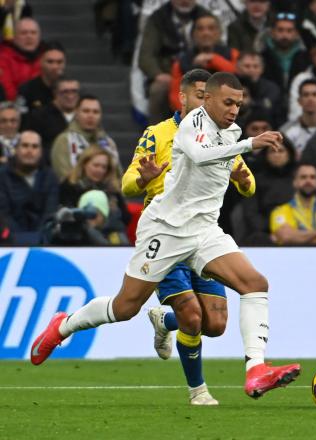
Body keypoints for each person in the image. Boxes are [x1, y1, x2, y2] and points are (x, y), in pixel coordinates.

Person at [30, 73, 301, 403]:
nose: (234, 110)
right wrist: (250, 144)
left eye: (239, 104)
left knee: (254, 284)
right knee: (124, 307)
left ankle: (256, 369)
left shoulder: (231, 132)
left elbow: (235, 172)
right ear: (208, 99)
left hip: (204, 231)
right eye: (228, 102)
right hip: (165, 229)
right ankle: (64, 326)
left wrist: (243, 164)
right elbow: (201, 155)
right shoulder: (190, 126)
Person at [121, 69, 258, 405]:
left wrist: (242, 179)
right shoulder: (157, 134)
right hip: (165, 232)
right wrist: (143, 179)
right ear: (182, 97)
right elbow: (126, 185)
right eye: (198, 95)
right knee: (192, 315)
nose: (203, 102)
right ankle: (199, 392)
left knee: (215, 323)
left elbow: (249, 185)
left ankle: (163, 320)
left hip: (202, 234)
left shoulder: (221, 134)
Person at [168, 14, 240, 112]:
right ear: (193, 34)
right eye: (200, 29)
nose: (206, 33)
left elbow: (237, 78)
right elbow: (175, 97)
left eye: (211, 28)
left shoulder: (232, 54)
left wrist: (213, 59)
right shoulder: (182, 61)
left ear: (219, 33)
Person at [59, 146, 130, 245]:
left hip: (111, 234)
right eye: (96, 165)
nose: (100, 170)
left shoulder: (112, 189)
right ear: (84, 164)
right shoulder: (70, 186)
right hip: (78, 238)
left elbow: (125, 218)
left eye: (104, 167)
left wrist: (106, 218)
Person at [0, 130, 59, 245]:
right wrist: (21, 240)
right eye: (25, 145)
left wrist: (37, 238)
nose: (29, 150)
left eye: (35, 146)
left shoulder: (50, 176)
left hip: (43, 242)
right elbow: (3, 214)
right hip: (8, 243)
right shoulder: (2, 176)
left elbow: (49, 212)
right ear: (16, 149)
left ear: (41, 152)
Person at [50, 95, 120, 181]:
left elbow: (118, 176)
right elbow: (63, 176)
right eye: (86, 111)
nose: (91, 116)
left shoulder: (109, 143)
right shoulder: (64, 140)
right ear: (76, 113)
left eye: (95, 112)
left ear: (101, 115)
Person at [270, 163, 316, 245]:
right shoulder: (280, 211)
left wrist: (297, 236)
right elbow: (286, 237)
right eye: (303, 177)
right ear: (295, 182)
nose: (308, 181)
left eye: (313, 177)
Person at [16, 42, 66, 114]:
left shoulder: (71, 89)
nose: (55, 67)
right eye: (50, 62)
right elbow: (22, 119)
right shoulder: (26, 90)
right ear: (40, 62)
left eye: (59, 62)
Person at [279, 79, 316, 158]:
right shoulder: (286, 131)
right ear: (299, 101)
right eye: (306, 95)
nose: (310, 99)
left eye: (315, 94)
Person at [0, 17, 42, 101]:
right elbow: (7, 90)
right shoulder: (3, 58)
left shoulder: (47, 56)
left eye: (33, 33)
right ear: (14, 37)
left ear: (39, 37)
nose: (29, 36)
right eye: (23, 33)